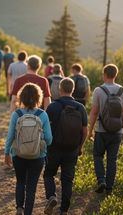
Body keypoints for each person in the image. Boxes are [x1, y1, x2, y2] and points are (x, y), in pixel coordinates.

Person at [5, 83, 52, 215]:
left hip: (18, 155)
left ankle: (19, 207)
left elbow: (10, 136)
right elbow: (49, 139)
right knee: (31, 187)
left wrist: (7, 152)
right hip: (38, 155)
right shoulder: (43, 115)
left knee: (20, 182)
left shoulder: (17, 114)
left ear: (22, 97)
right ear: (39, 97)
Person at [44, 78, 88, 215]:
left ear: (60, 89)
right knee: (67, 180)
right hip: (72, 149)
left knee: (49, 174)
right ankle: (64, 210)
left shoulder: (52, 106)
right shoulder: (80, 107)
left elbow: (45, 129)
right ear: (73, 89)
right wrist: (80, 147)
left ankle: (51, 196)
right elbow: (85, 131)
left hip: (54, 149)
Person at [88, 64, 123, 195]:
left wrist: (90, 130)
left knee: (98, 155)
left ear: (104, 74)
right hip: (117, 131)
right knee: (112, 159)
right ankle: (109, 188)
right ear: (115, 75)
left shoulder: (99, 90)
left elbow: (94, 112)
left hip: (101, 130)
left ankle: (101, 180)